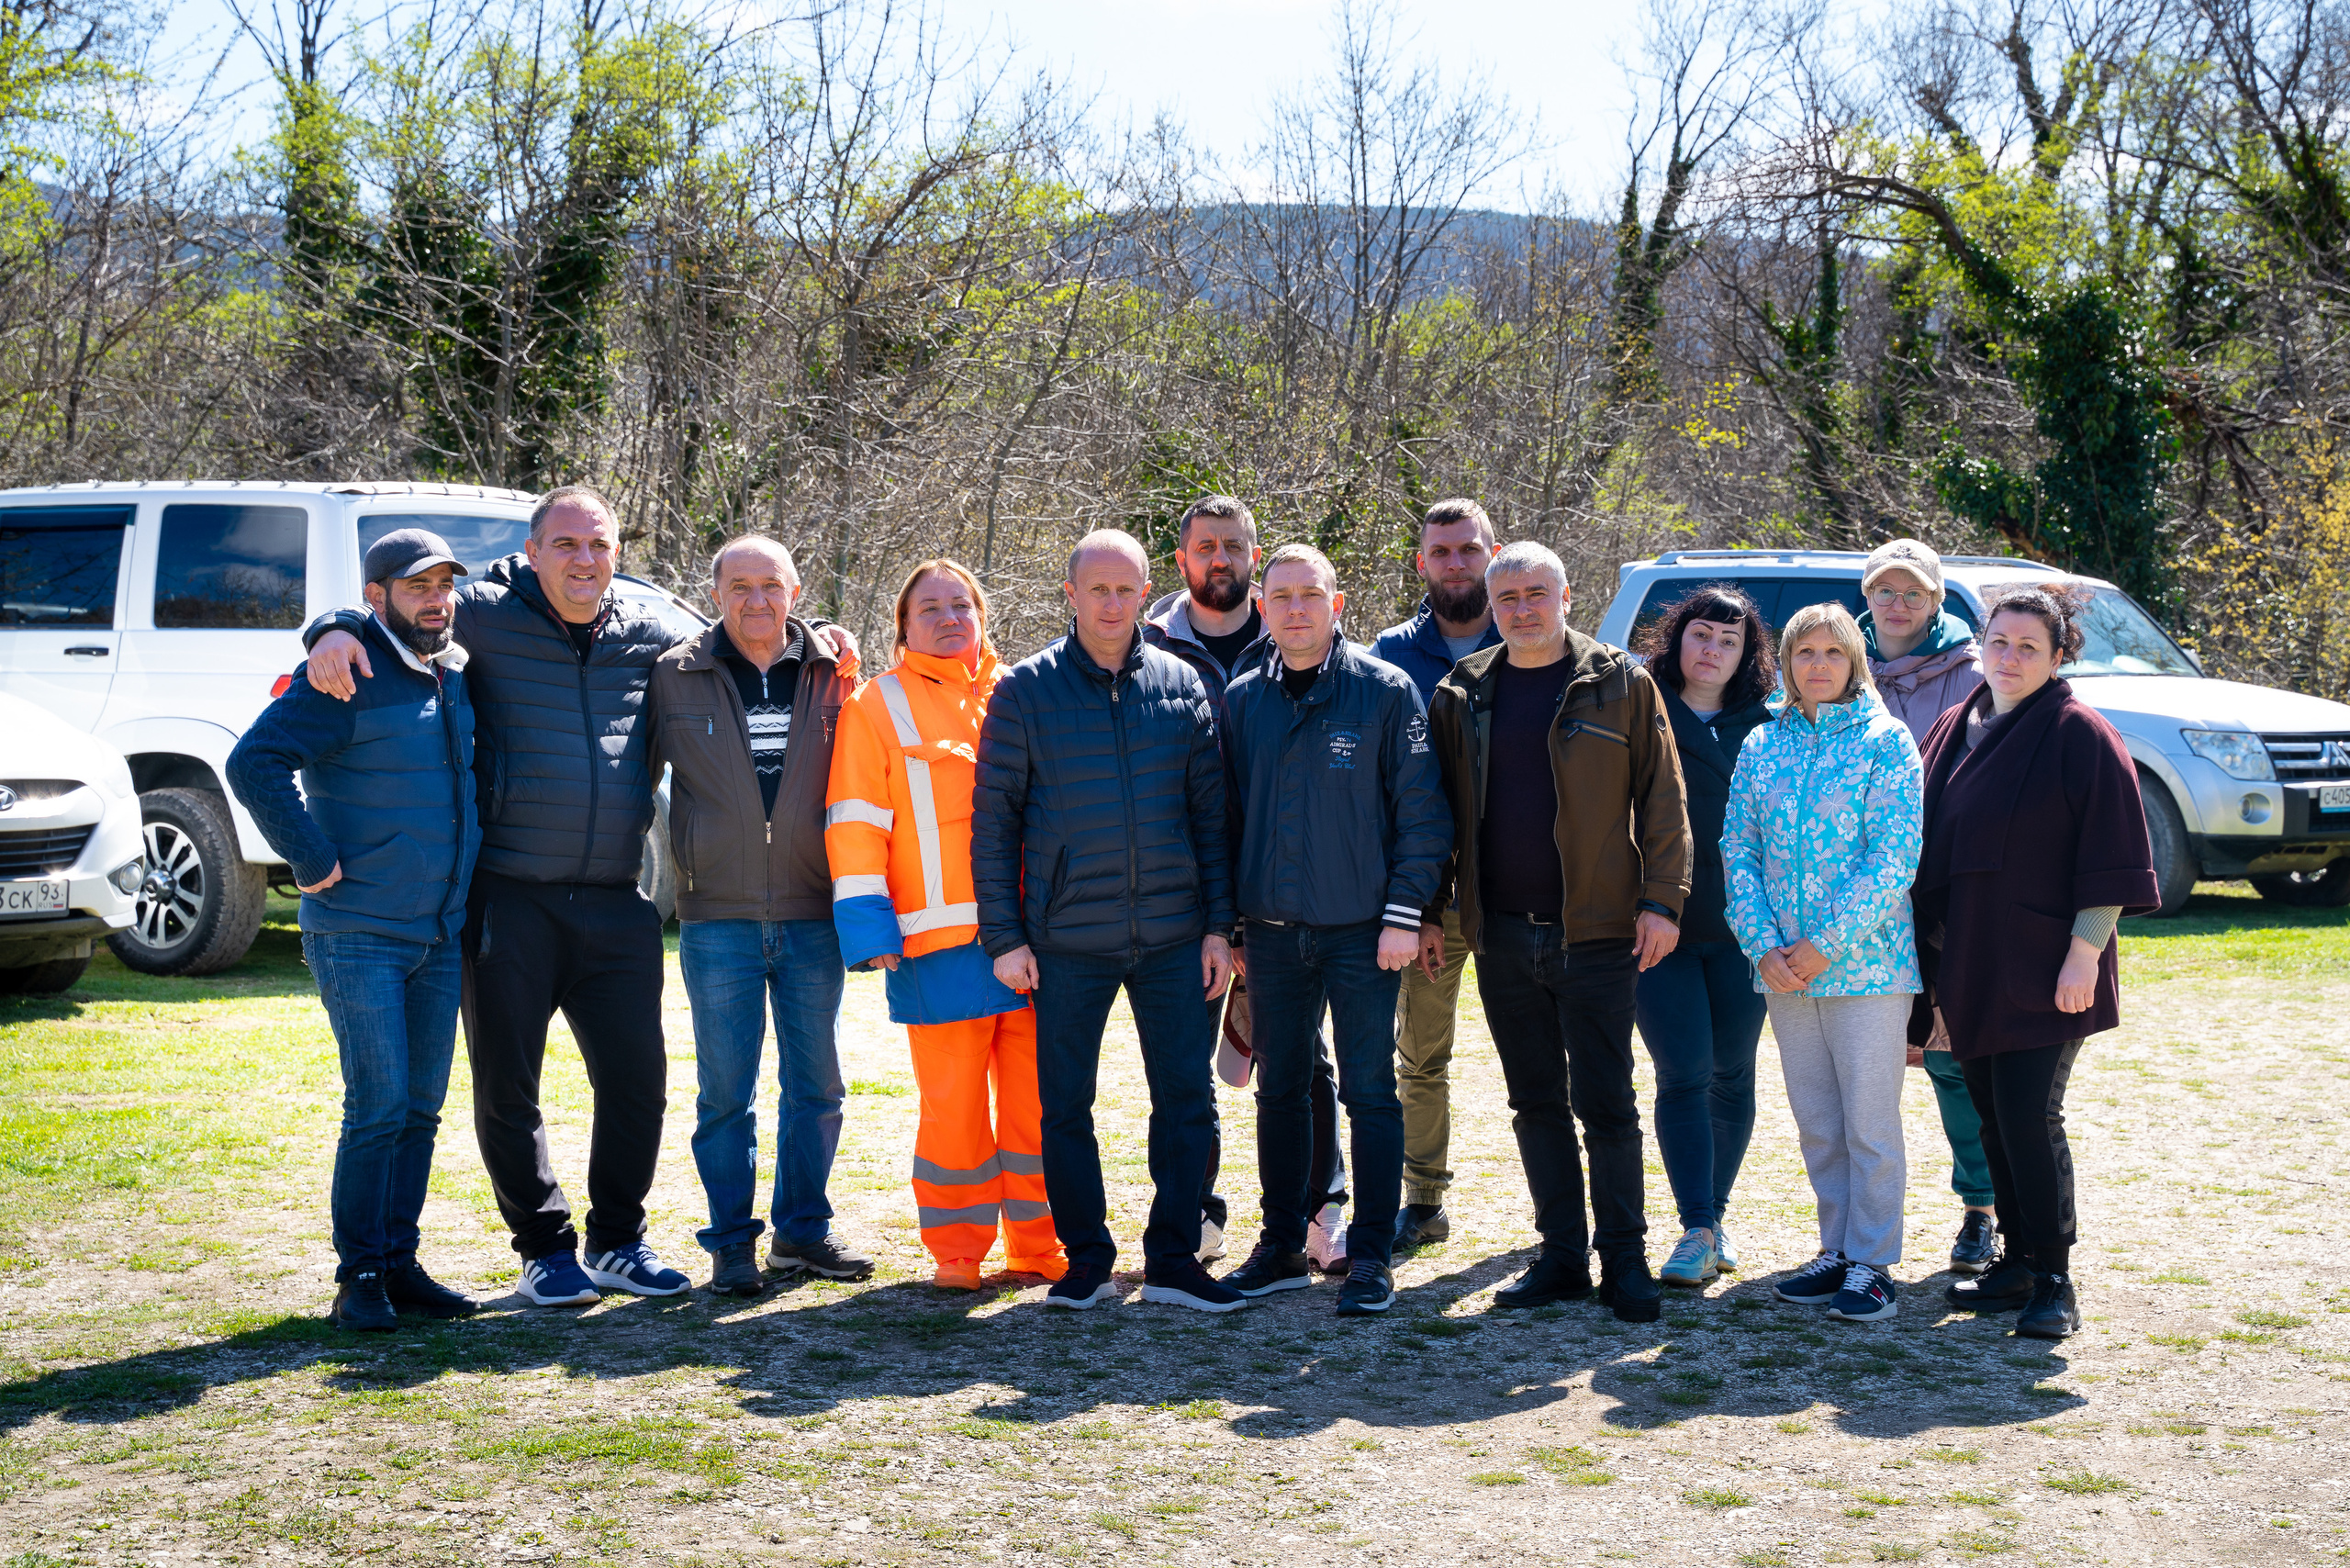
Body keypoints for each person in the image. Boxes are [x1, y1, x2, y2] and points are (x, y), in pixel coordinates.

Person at [299, 487, 690, 1307]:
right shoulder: (480, 612)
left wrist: (814, 634)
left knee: (639, 1081)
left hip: (620, 897)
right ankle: (545, 1249)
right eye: (566, 545)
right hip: (508, 896)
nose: (584, 560)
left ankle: (618, 1242)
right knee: (508, 1086)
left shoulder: (650, 627)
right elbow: (401, 607)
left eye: (600, 545)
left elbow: (741, 631)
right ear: (533, 550)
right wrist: (329, 626)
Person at [972, 529, 1242, 1313]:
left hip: (1173, 938)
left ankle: (1173, 1259)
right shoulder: (1025, 691)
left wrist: (1219, 927)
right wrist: (1006, 937)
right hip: (1065, 942)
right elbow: (994, 824)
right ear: (1071, 595)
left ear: (1146, 593)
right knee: (1065, 1108)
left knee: (1187, 1100)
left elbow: (1209, 819)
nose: (1114, 604)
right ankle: (1086, 1260)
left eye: (1128, 590)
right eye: (1098, 589)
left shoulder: (1183, 686)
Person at [1425, 541, 1689, 1324]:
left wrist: (1663, 902)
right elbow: (1436, 817)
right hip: (1501, 934)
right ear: (1491, 606)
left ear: (1568, 595)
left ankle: (1626, 1260)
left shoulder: (1620, 683)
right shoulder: (1461, 693)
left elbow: (1665, 800)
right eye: (1507, 599)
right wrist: (1437, 910)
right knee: (1534, 1101)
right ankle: (1563, 1257)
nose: (1523, 609)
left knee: (1607, 1103)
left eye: (1537, 593)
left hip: (1599, 933)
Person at [229, 529, 483, 1330]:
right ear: (376, 598)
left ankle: (401, 1265)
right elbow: (252, 763)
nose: (436, 599)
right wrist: (307, 857)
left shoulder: (450, 675)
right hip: (357, 931)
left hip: (438, 934)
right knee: (376, 1104)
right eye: (416, 587)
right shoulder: (347, 674)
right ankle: (359, 1277)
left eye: (444, 585)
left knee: (419, 1108)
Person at [1914, 584, 2157, 1338]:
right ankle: (2015, 1263)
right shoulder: (1960, 724)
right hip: (1971, 960)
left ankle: (2054, 1277)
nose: (2010, 658)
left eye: (2028, 648)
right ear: (1978, 647)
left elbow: (2112, 854)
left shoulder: (2080, 732)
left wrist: (2084, 955)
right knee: (1990, 1114)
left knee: (2029, 1114)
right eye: (1999, 643)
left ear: (2058, 657)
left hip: (2049, 964)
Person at [1215, 544, 1451, 1316]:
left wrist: (1403, 917)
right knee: (1280, 1092)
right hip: (1275, 937)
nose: (1294, 609)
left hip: (1363, 935)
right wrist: (1236, 925)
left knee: (1371, 1092)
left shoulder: (1385, 694)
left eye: (1309, 595)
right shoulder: (1245, 699)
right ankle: (1282, 1243)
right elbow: (1227, 824)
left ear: (1336, 602)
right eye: (1279, 596)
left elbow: (1423, 818)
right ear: (1264, 606)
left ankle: (1373, 1257)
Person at [825, 558, 1063, 1291]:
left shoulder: (1023, 692)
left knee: (1039, 1106)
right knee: (954, 1111)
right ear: (903, 625)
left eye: (962, 604)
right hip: (939, 948)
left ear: (983, 615)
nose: (949, 618)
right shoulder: (877, 704)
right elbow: (855, 822)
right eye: (930, 607)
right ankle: (958, 1254)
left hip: (1037, 943)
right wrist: (870, 934)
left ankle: (1038, 1244)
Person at [651, 535, 873, 1296]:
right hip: (717, 917)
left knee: (817, 1086)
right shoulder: (675, 675)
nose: (756, 601)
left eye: (770, 585)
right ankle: (733, 1245)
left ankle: (802, 1235)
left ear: (796, 590)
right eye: (739, 586)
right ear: (716, 594)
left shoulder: (837, 672)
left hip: (815, 914)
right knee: (725, 1094)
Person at [1145, 493, 1348, 1274]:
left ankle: (1320, 1207)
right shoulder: (1146, 642)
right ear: (1183, 561)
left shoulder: (1302, 627)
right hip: (1185, 892)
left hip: (1287, 893)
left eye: (1234, 545)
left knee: (1305, 1057)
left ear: (1253, 560)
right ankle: (1196, 1210)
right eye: (1206, 547)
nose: (1220, 558)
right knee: (1183, 1058)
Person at [1724, 601, 1924, 1324]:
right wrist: (1762, 944)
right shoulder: (1762, 745)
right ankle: (1836, 1249)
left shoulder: (1886, 742)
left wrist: (1823, 946)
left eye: (1832, 653)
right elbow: (1737, 849)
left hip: (1865, 968)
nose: (1817, 665)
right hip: (1781, 972)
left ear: (1855, 662)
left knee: (1869, 1120)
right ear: (1786, 663)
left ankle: (1873, 1263)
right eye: (1804, 652)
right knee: (1817, 1120)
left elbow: (1893, 858)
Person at [1629, 585, 1777, 1288]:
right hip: (1660, 925)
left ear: (1747, 653)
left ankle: (1713, 1217)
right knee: (1682, 1070)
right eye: (1700, 635)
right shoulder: (1639, 707)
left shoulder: (1772, 725)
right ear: (1676, 640)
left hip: (1747, 929)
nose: (1712, 649)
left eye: (1729, 639)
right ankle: (1695, 1226)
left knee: (1732, 1072)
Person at [1859, 537, 1999, 1276]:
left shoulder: (1974, 677)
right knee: (1862, 1065)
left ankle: (1981, 1210)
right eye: (1885, 589)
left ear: (1938, 600)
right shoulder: (1842, 669)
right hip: (1858, 898)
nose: (1898, 602)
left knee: (1951, 1061)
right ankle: (1856, 1231)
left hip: (1941, 893)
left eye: (1913, 590)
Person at [1371, 498, 1503, 1249]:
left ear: (1493, 551)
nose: (1456, 564)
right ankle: (1423, 1198)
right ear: (1422, 562)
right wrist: (1412, 900)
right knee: (1420, 1051)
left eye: (1468, 550)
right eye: (1441, 552)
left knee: (1550, 1052)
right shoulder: (1390, 654)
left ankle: (1567, 1207)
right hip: (1430, 893)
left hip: (1521, 888)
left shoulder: (1530, 637)